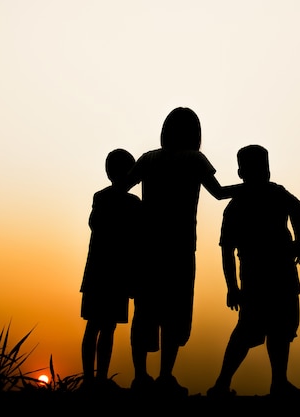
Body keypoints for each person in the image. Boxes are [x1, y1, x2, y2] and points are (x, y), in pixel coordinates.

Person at [124, 107, 237, 396]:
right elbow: (220, 192)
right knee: (174, 311)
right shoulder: (195, 159)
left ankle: (140, 376)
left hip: (147, 246)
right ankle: (165, 376)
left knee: (145, 310)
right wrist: (251, 187)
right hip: (180, 246)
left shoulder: (148, 159)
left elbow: (123, 186)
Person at [207, 144, 300, 398]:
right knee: (247, 331)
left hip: (281, 272)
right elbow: (226, 249)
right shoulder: (237, 205)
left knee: (280, 329)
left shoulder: (275, 194)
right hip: (256, 277)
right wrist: (232, 287)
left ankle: (279, 383)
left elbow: (297, 207)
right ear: (242, 172)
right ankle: (222, 383)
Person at [80, 148, 142, 392]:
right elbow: (137, 239)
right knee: (105, 328)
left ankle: (91, 379)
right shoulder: (132, 204)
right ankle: (98, 378)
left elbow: (95, 225)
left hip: (99, 271)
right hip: (115, 273)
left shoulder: (101, 198)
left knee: (95, 326)